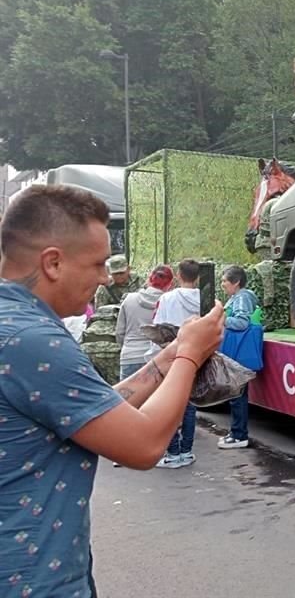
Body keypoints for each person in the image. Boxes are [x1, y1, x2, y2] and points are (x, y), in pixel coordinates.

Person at [0, 184, 224, 597]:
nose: (105, 277)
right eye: (98, 264)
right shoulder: (31, 340)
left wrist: (170, 355)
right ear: (53, 263)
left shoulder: (12, 323)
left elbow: (97, 410)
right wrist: (191, 357)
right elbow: (143, 444)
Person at [151, 259, 202, 468]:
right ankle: (187, 451)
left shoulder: (168, 298)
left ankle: (172, 452)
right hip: (196, 355)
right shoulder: (205, 298)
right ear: (198, 277)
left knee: (170, 403)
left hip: (172, 354)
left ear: (179, 275)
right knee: (189, 405)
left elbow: (159, 328)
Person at [218, 265, 263, 449]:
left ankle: (239, 435)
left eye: (224, 281)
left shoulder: (242, 297)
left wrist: (222, 320)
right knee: (237, 394)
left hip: (239, 354)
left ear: (236, 282)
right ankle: (236, 432)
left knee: (237, 395)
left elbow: (242, 322)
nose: (222, 285)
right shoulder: (239, 296)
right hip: (239, 353)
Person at [117, 264, 174, 380]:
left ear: (149, 279)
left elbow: (119, 332)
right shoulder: (169, 302)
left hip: (130, 356)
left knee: (128, 397)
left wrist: (127, 347)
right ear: (170, 285)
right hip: (157, 358)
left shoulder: (129, 299)